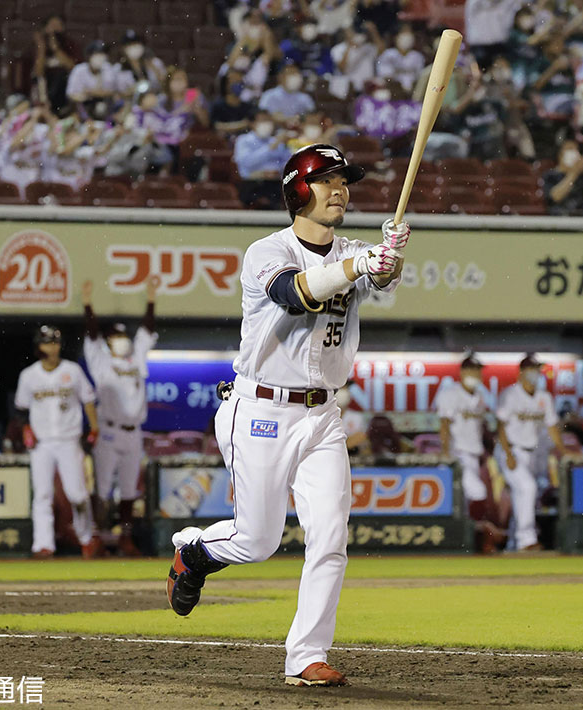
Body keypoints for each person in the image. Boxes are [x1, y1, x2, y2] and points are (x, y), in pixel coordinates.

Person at [166, 143, 408, 687]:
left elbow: (381, 280)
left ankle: (306, 656)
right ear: (298, 190)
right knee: (259, 542)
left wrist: (389, 259)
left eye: (344, 180)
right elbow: (295, 294)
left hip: (323, 414)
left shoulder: (352, 249)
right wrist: (361, 263)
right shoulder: (265, 251)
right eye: (326, 180)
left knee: (330, 537)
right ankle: (195, 553)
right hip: (260, 409)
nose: (340, 189)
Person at [82, 276, 159, 557]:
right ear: (108, 340)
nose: (121, 340)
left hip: (133, 432)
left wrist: (151, 299)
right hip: (109, 430)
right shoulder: (102, 361)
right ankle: (97, 536)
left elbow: (147, 331)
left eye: (122, 336)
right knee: (102, 489)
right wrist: (87, 304)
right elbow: (91, 335)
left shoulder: (136, 359)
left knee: (129, 489)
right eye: (115, 336)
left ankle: (125, 538)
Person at [14, 325, 102, 559]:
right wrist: (26, 429)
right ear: (38, 346)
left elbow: (88, 400)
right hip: (42, 443)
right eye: (46, 343)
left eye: (54, 342)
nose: (51, 347)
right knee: (42, 494)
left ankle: (87, 537)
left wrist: (93, 428)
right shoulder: (29, 375)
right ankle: (43, 545)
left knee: (77, 494)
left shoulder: (72, 370)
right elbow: (21, 409)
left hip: (68, 440)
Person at [494, 354, 566, 551]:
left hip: (533, 454)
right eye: (531, 369)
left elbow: (552, 427)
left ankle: (514, 543)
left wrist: (563, 451)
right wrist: (508, 454)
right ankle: (527, 540)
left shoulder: (544, 397)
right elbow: (500, 426)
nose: (535, 373)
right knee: (527, 487)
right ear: (522, 372)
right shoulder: (510, 395)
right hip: (511, 450)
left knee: (525, 496)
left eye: (537, 369)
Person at [438, 356, 489, 520]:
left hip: (474, 455)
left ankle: (468, 539)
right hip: (457, 454)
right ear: (462, 372)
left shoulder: (480, 396)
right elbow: (444, 424)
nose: (476, 374)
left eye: (478, 370)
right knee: (478, 492)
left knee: (463, 502)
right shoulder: (450, 394)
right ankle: (479, 532)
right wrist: (446, 452)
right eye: (472, 370)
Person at [233, 111, 292, 209]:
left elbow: (288, 163)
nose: (267, 124)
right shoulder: (243, 140)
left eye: (269, 120)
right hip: (252, 184)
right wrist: (270, 148)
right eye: (263, 120)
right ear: (252, 124)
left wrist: (278, 171)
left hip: (275, 183)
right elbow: (248, 162)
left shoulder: (277, 141)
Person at [33, 14, 79, 113]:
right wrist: (42, 49)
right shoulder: (37, 46)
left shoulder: (69, 44)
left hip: (62, 89)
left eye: (57, 26)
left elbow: (72, 67)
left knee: (62, 76)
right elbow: (38, 72)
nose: (54, 30)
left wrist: (56, 49)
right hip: (43, 87)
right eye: (51, 26)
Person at [66, 40, 119, 120]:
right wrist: (89, 95)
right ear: (89, 56)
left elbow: (111, 92)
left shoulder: (107, 68)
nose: (101, 57)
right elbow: (71, 94)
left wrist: (91, 92)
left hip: (104, 105)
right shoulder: (79, 70)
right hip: (85, 106)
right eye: (97, 54)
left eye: (103, 54)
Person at [543, 139, 583, 215]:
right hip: (560, 219)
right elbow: (555, 197)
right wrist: (574, 172)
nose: (575, 152)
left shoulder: (582, 176)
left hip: (582, 219)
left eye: (577, 149)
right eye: (570, 149)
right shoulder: (550, 175)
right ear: (560, 154)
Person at [375, 24, 426, 93]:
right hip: (390, 92)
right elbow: (385, 76)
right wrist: (398, 89)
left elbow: (420, 78)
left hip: (411, 93)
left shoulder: (417, 56)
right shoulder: (388, 54)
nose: (407, 37)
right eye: (403, 33)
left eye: (409, 34)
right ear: (396, 37)